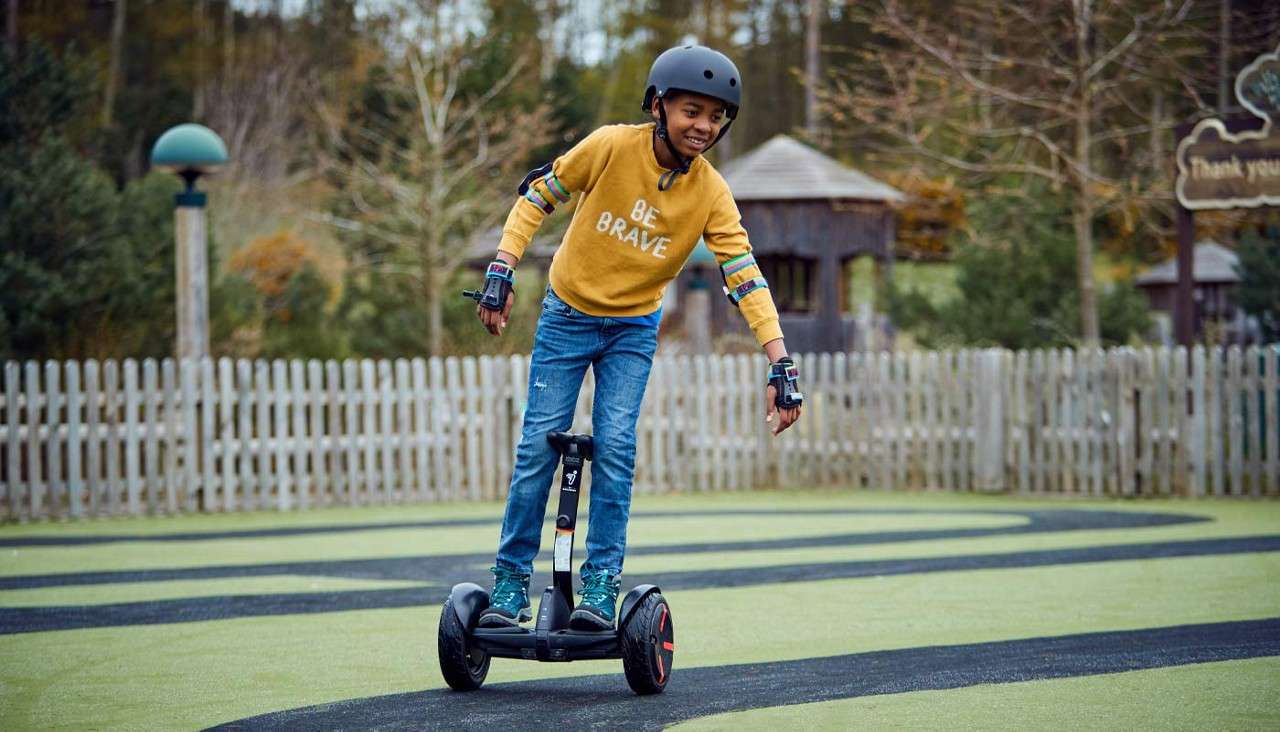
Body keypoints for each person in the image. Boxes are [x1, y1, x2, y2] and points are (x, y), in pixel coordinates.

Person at [471, 45, 803, 631]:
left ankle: (600, 586)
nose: (704, 126)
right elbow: (537, 195)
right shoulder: (608, 146)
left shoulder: (711, 193)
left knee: (617, 448)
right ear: (658, 105)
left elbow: (743, 274)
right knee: (535, 449)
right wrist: (502, 269)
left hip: (632, 329)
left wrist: (780, 364)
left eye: (716, 116)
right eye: (692, 111)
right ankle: (510, 582)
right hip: (567, 315)